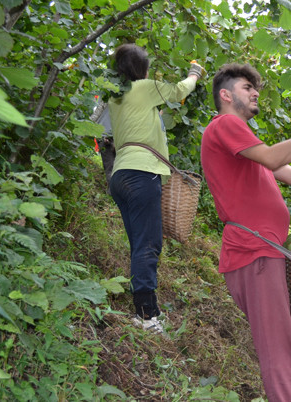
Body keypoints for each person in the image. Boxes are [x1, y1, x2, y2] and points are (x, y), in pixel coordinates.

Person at [200, 63, 291, 401]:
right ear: (226, 95)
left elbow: (289, 174)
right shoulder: (225, 124)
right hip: (253, 251)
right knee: (280, 350)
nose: (255, 91)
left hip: (266, 252)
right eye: (248, 87)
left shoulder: (243, 145)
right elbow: (275, 159)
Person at [106, 43, 204, 334]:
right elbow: (178, 90)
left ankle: (145, 309)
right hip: (141, 174)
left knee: (140, 243)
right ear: (142, 69)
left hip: (120, 176)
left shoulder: (116, 97)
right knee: (149, 244)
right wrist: (194, 74)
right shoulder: (144, 87)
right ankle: (146, 316)